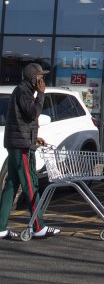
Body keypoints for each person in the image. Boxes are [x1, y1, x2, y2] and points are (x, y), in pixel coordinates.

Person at [0, 63, 61, 239]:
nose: (43, 81)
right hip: (21, 147)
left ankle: (1, 227)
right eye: (40, 77)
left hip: (18, 143)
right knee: (31, 183)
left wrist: (33, 138)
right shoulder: (24, 92)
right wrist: (41, 95)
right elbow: (32, 113)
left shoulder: (22, 91)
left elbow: (20, 121)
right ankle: (38, 226)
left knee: (11, 185)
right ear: (33, 78)